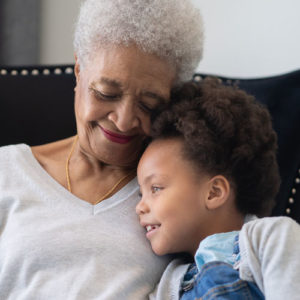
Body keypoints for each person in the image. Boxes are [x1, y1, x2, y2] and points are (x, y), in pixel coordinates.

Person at [0, 0, 204, 299]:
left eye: (149, 104)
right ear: (79, 71)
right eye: (106, 93)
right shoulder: (8, 171)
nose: (123, 121)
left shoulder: (182, 194)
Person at [136, 79, 300, 299]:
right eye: (140, 193)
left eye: (155, 188)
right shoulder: (168, 284)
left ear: (214, 192)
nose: (139, 206)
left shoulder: (270, 239)